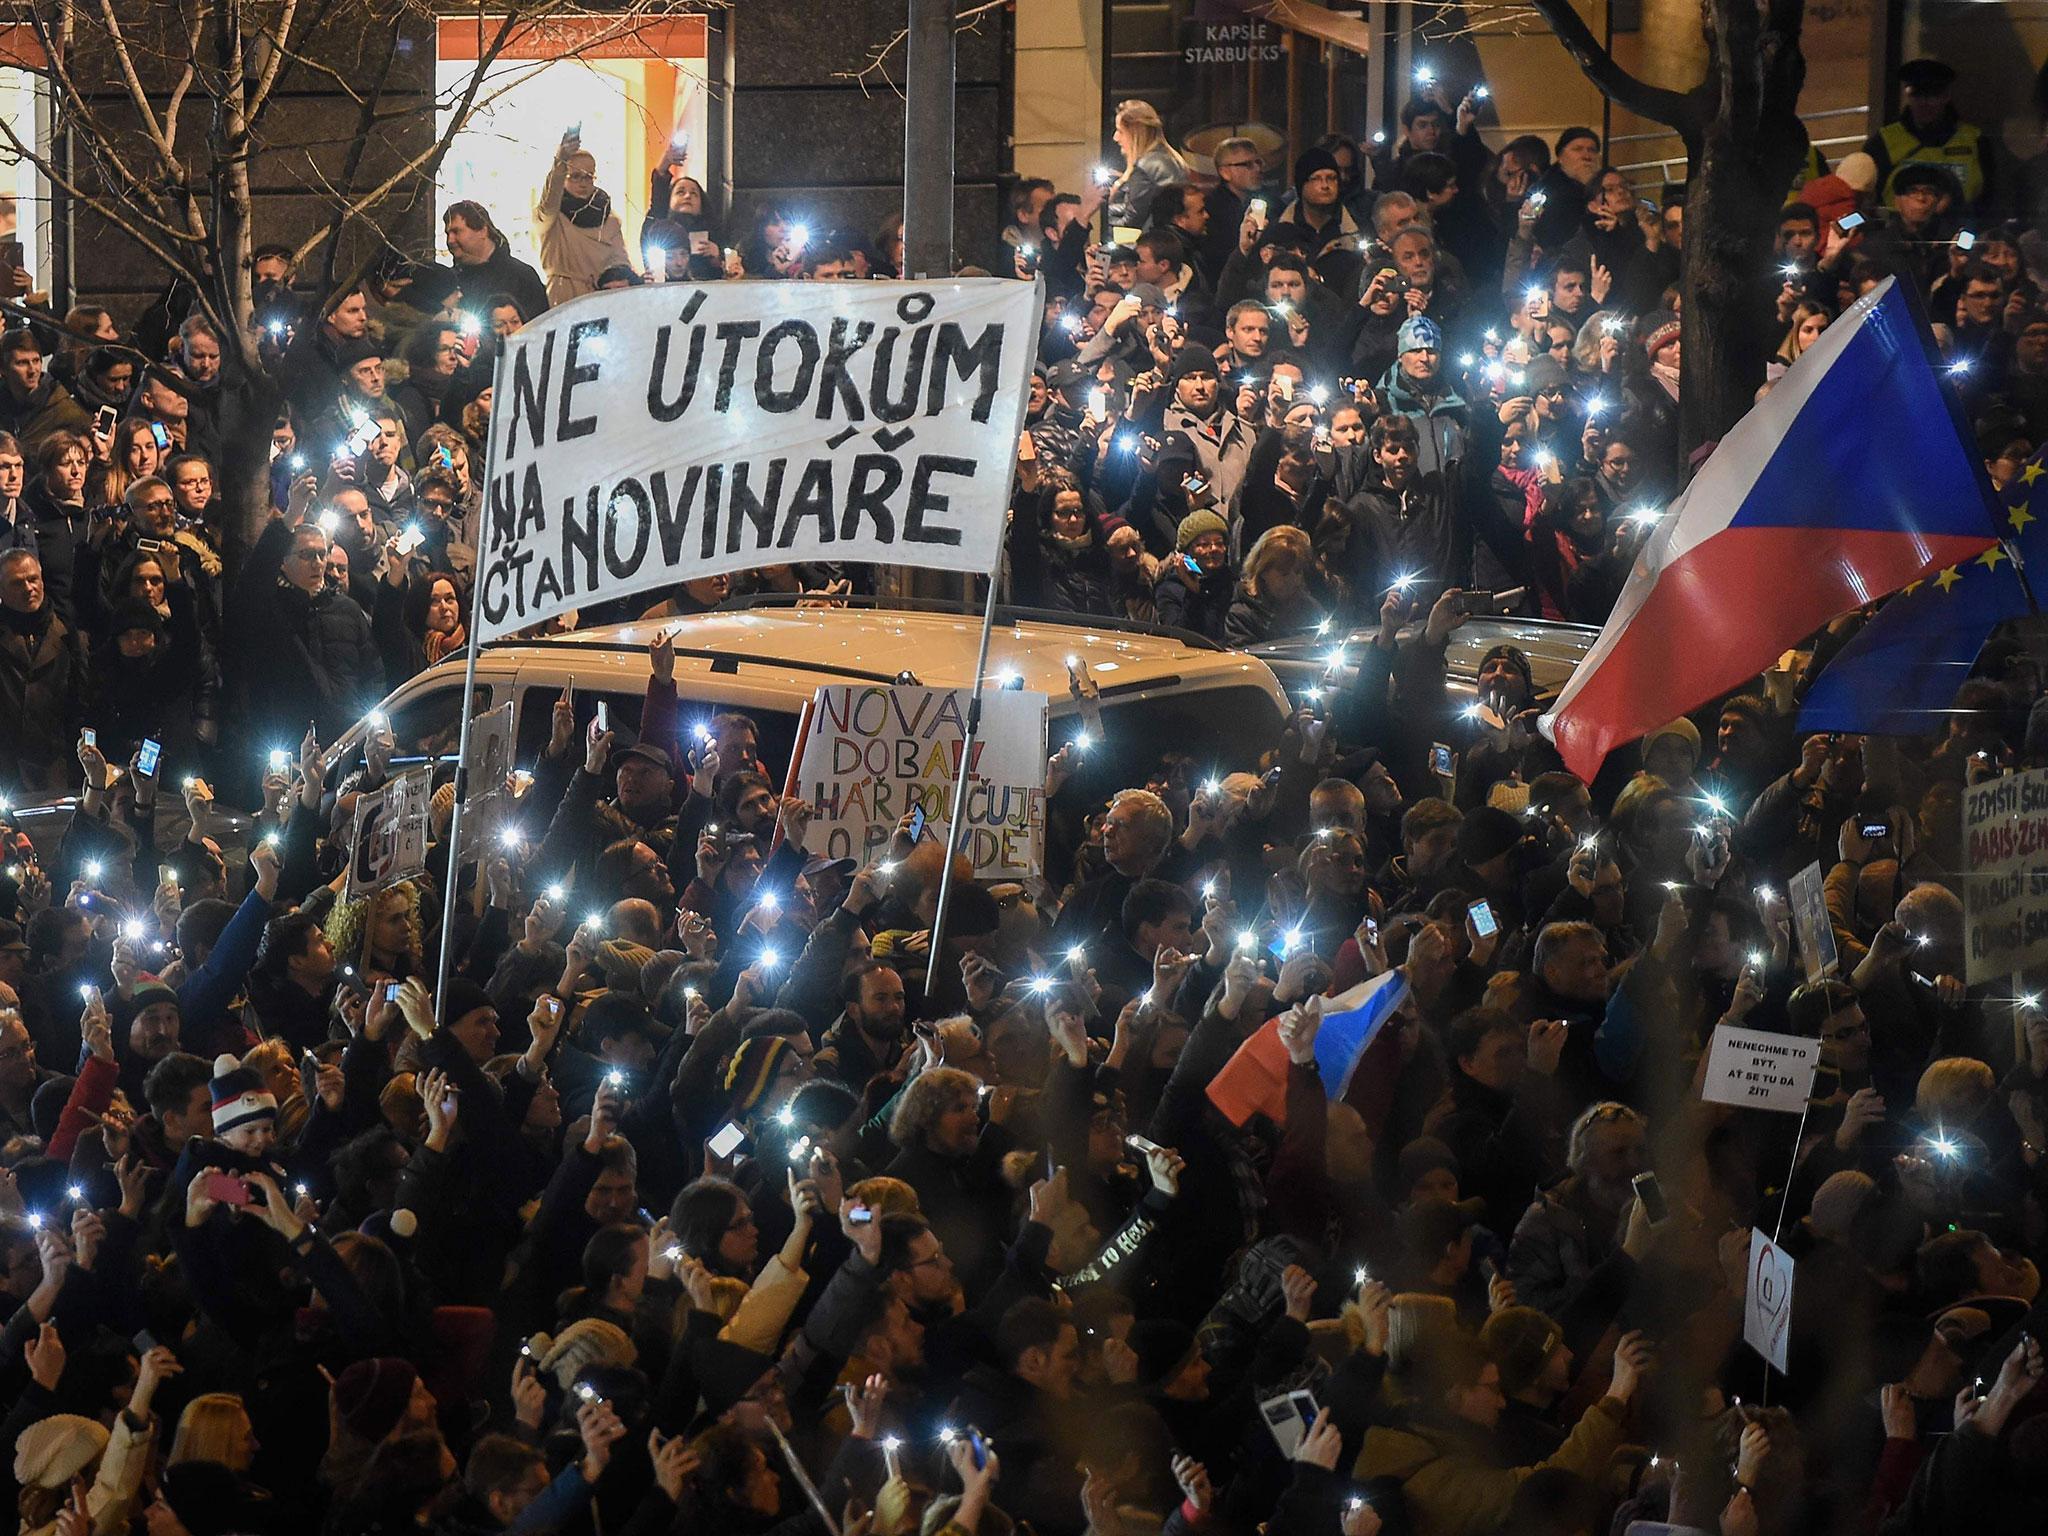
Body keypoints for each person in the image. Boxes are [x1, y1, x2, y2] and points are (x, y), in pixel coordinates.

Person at [534, 130, 633, 304]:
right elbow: (550, 200)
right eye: (575, 176)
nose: (582, 183)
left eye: (588, 177)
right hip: (563, 297)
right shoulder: (553, 218)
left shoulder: (609, 219)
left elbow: (620, 260)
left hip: (601, 298)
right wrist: (561, 160)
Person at [443, 199, 550, 324]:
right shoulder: (449, 282)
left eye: (456, 232)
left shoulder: (521, 276)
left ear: (482, 231)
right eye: (447, 233)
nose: (450, 240)